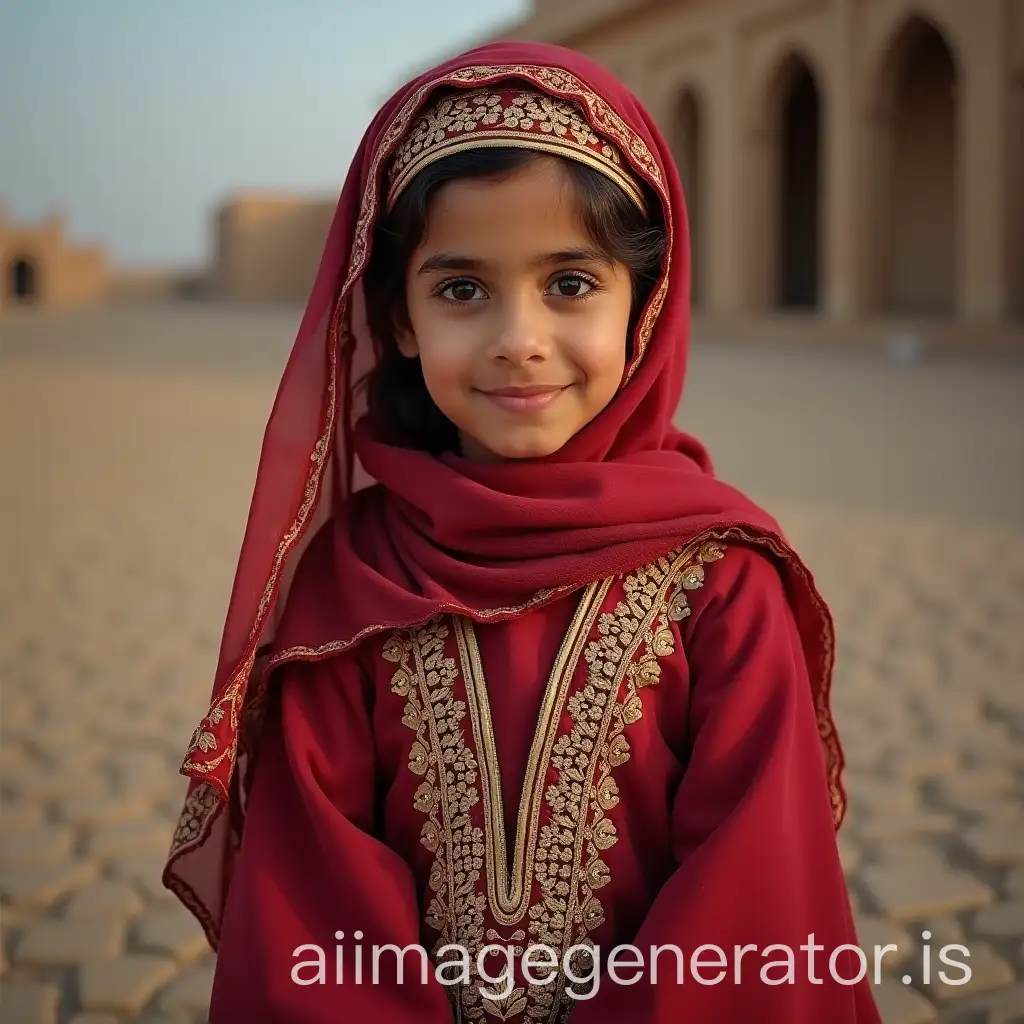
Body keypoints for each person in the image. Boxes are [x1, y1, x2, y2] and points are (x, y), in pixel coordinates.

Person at [163, 41, 882, 1023]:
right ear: (400, 318)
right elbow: (311, 922)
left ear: (645, 307)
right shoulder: (352, 583)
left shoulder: (719, 583)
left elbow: (749, 913)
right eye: (462, 289)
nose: (518, 338)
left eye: (570, 284)